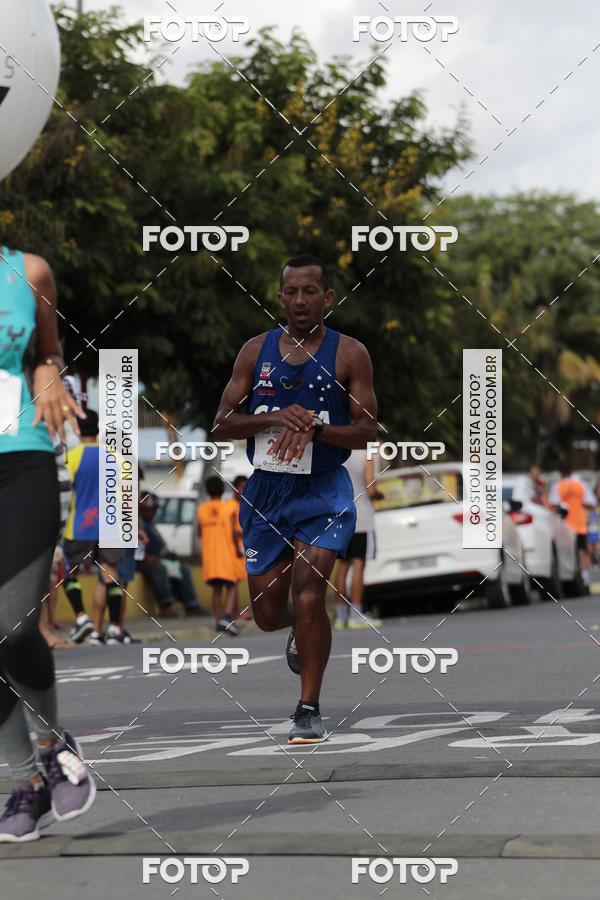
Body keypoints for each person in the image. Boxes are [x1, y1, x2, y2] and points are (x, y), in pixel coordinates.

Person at [213, 254, 377, 744]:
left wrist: (319, 429)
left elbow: (369, 431)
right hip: (266, 491)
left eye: (311, 291)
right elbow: (221, 423)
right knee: (267, 614)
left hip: (323, 491)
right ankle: (299, 632)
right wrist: (274, 418)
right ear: (281, 296)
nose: (301, 300)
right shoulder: (254, 351)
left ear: (327, 298)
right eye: (292, 291)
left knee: (310, 593)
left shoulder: (350, 354)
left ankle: (308, 707)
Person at [0, 247, 95, 841]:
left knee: (11, 625)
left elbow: (47, 351)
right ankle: (24, 783)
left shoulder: (27, 272)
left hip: (20, 459)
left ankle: (53, 744)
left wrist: (47, 369)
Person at [61, 410, 124, 645]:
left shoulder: (72, 457)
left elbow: (64, 494)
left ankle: (82, 617)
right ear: (98, 428)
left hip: (79, 526)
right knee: (108, 574)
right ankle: (115, 629)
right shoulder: (115, 456)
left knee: (71, 571)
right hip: (110, 526)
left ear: (77, 428)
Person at [334, 450, 383, 630]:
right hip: (361, 517)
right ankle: (356, 614)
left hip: (340, 515)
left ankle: (340, 616)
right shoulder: (368, 452)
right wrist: (380, 495)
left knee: (342, 566)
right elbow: (370, 489)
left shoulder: (340, 448)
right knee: (358, 564)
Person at [138, 494, 204, 617]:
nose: (154, 512)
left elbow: (162, 550)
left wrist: (175, 558)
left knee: (183, 568)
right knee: (160, 569)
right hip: (144, 562)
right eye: (153, 509)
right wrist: (146, 558)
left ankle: (191, 605)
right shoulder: (138, 523)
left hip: (158, 559)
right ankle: (165, 607)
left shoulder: (150, 524)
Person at [197, 476, 241, 634]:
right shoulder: (230, 507)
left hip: (210, 556)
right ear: (223, 490)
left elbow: (199, 531)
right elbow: (236, 533)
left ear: (207, 491)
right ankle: (227, 617)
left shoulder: (201, 509)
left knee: (216, 590)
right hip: (226, 554)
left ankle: (218, 621)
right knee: (232, 585)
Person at [550, 461, 596, 591]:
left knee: (567, 553)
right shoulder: (580, 485)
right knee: (582, 553)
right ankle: (585, 580)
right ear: (571, 470)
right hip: (580, 524)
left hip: (564, 526)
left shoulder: (557, 486)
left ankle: (571, 578)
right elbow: (591, 503)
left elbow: (553, 505)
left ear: (560, 472)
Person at [226, 475, 251, 621]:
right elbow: (232, 530)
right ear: (235, 488)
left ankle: (235, 612)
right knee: (233, 581)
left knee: (236, 581)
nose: (244, 491)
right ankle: (232, 613)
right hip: (232, 549)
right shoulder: (231, 506)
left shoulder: (244, 505)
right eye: (242, 487)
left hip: (242, 548)